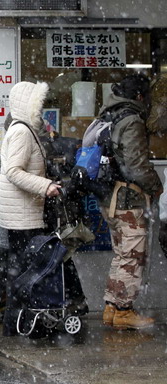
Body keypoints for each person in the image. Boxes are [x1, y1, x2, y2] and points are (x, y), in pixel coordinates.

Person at [97, 74, 162, 330]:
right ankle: (124, 311)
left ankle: (111, 307)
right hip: (128, 199)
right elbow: (137, 166)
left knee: (122, 255)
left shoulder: (108, 115)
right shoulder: (131, 120)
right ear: (139, 97)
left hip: (110, 199)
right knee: (132, 257)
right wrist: (157, 186)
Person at [0, 81, 61, 336]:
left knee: (22, 270)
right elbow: (13, 171)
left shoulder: (21, 129)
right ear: (28, 104)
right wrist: (46, 186)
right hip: (24, 216)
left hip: (23, 214)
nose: (42, 107)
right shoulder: (22, 132)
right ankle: (19, 325)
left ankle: (17, 325)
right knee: (26, 272)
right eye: (38, 102)